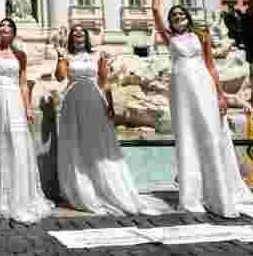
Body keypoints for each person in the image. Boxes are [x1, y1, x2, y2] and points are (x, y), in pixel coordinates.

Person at [152, 0, 253, 217]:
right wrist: (156, 1)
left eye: (181, 13)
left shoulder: (201, 35)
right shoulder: (170, 38)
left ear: (188, 17)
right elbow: (156, 16)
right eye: (174, 15)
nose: (178, 17)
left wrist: (220, 95)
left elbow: (211, 66)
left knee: (210, 132)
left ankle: (217, 190)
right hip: (181, 89)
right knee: (187, 134)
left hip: (202, 83)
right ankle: (193, 193)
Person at [55, 24, 168, 215]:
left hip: (93, 98)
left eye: (82, 32)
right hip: (73, 100)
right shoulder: (67, 55)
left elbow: (104, 82)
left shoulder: (98, 55)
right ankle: (82, 190)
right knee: (76, 144)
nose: (78, 35)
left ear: (86, 36)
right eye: (75, 33)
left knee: (97, 144)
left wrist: (110, 106)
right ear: (71, 38)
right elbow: (60, 77)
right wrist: (59, 56)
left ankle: (104, 189)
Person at [0, 18, 54, 223]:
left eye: (8, 29)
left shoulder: (20, 55)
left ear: (14, 33)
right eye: (2, 28)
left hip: (14, 98)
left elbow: (23, 83)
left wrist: (28, 107)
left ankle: (18, 195)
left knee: (16, 143)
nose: (4, 31)